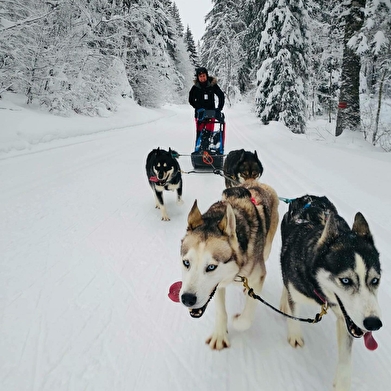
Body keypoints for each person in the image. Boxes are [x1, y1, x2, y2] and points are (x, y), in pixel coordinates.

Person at [189, 67, 225, 147]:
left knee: (209, 133)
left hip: (210, 113)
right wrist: (198, 108)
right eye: (200, 76)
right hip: (199, 114)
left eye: (204, 76)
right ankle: (198, 150)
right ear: (198, 77)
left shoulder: (212, 85)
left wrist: (219, 108)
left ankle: (208, 151)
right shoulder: (195, 87)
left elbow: (221, 95)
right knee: (199, 134)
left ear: (207, 75)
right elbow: (191, 99)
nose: (202, 78)